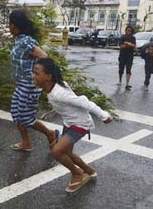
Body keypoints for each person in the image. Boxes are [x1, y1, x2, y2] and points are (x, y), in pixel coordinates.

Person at [33, 58, 112, 193]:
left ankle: (77, 173)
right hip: (69, 122)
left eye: (36, 73)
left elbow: (83, 102)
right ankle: (89, 171)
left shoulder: (59, 93)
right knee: (67, 153)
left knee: (57, 151)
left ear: (48, 76)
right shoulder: (52, 86)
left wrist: (103, 115)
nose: (33, 76)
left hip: (79, 124)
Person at [9, 10, 59, 152]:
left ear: (14, 25)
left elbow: (45, 58)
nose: (9, 26)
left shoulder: (26, 42)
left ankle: (50, 133)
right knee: (16, 114)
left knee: (25, 118)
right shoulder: (20, 40)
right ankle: (26, 143)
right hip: (21, 84)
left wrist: (43, 79)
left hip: (30, 85)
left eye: (10, 23)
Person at [118, 26, 136, 90]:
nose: (129, 32)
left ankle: (127, 84)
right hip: (122, 55)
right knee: (121, 69)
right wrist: (125, 45)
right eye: (128, 30)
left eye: (130, 31)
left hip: (130, 56)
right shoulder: (122, 37)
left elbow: (134, 46)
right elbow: (120, 47)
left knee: (128, 69)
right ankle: (120, 80)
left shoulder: (133, 38)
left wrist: (129, 44)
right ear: (126, 31)